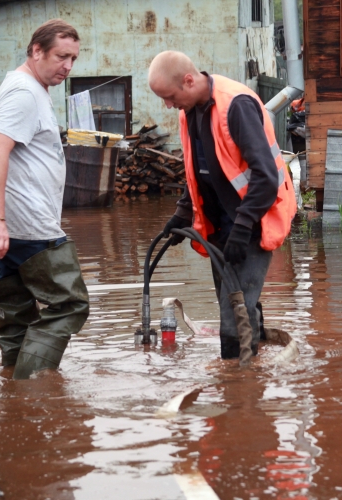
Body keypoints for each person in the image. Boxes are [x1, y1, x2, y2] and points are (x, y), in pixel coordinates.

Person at [147, 51, 296, 359]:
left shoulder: (236, 106)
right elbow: (200, 170)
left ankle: (239, 386)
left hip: (255, 219)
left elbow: (266, 177)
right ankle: (255, 366)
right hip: (222, 226)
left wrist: (243, 228)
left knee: (233, 313)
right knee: (235, 301)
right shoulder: (189, 110)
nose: (168, 105)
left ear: (188, 81)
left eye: (170, 96)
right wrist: (183, 212)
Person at [0, 19, 89, 380]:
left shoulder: (26, 87)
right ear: (37, 51)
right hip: (22, 227)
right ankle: (32, 386)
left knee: (17, 315)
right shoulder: (24, 93)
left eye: (73, 59)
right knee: (70, 303)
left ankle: (13, 401)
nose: (67, 67)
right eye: (61, 57)